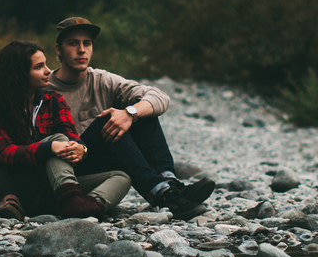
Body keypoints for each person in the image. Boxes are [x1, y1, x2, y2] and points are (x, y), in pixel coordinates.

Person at [44, 16, 215, 214]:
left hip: (103, 163)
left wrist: (130, 113)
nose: (81, 50)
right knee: (108, 121)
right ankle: (162, 194)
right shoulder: (45, 87)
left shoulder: (102, 79)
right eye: (73, 43)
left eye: (87, 43)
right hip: (69, 169)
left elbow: (159, 97)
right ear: (58, 49)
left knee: (141, 110)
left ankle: (170, 184)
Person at [0, 40, 130, 220]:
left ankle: (86, 205)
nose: (49, 71)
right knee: (56, 140)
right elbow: (6, 154)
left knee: (121, 177)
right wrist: (49, 147)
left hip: (50, 184)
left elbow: (70, 134)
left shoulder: (53, 100)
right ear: (19, 73)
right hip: (8, 184)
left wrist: (81, 148)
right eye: (39, 67)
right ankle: (71, 200)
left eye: (46, 64)